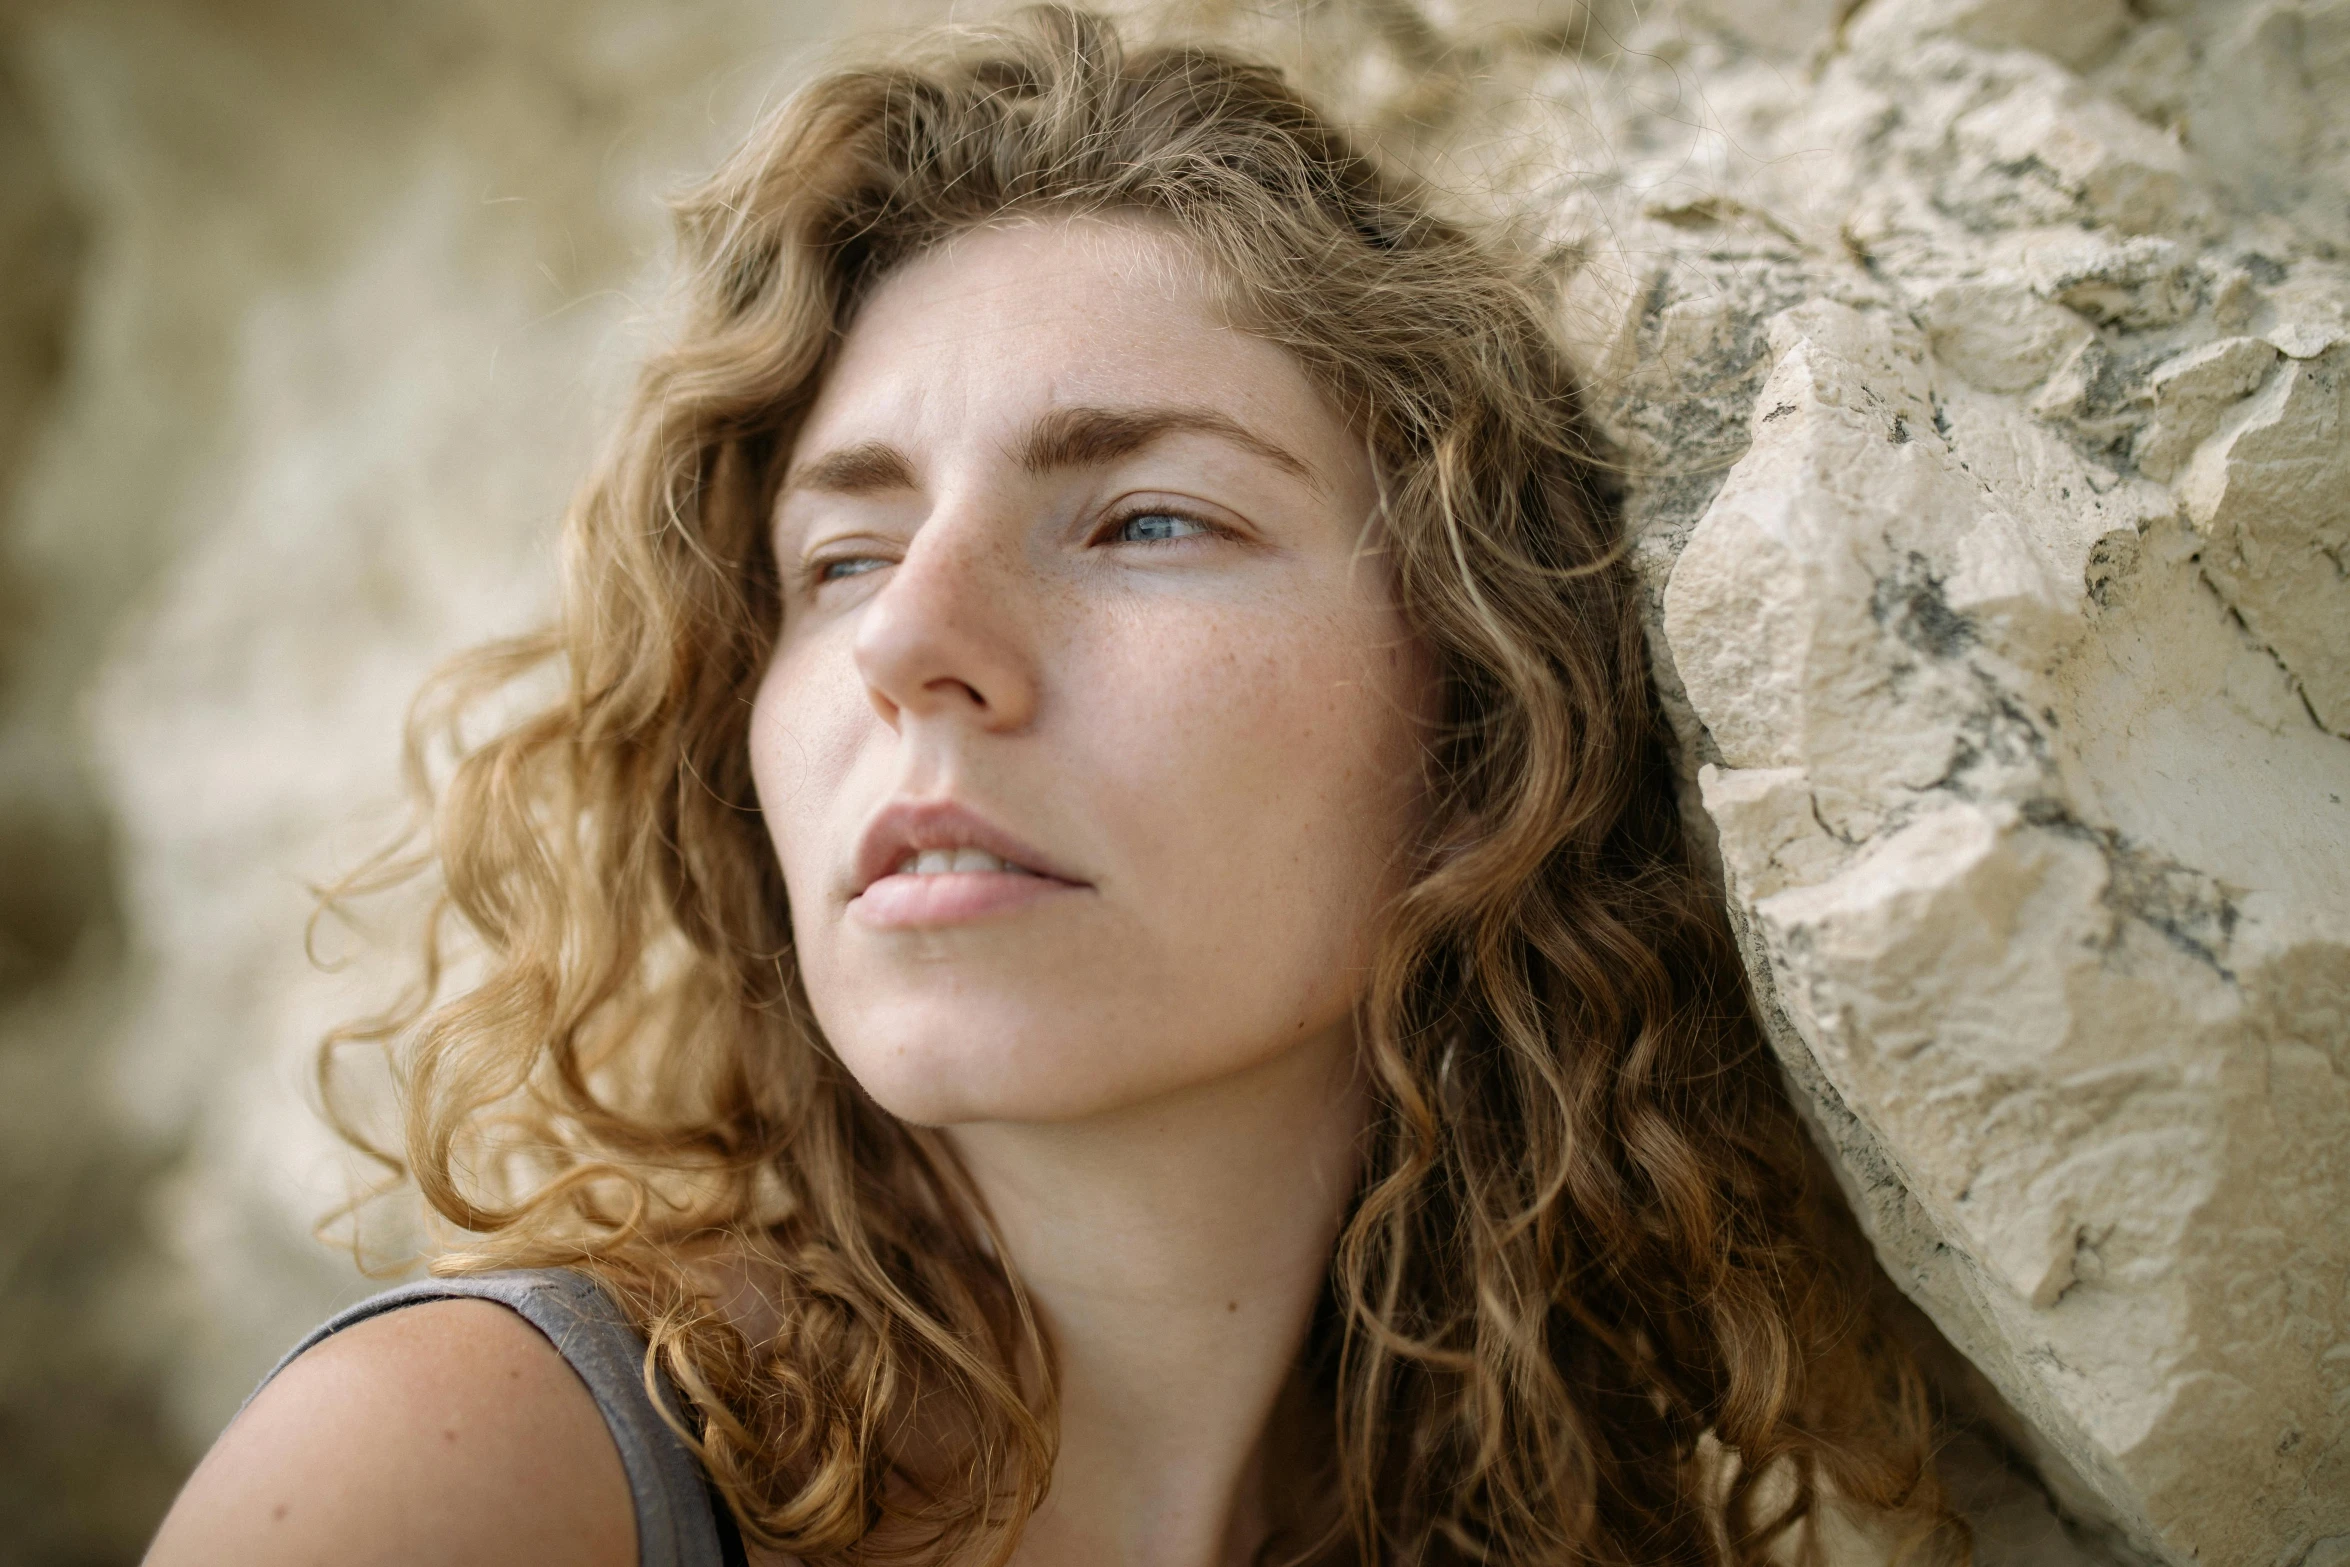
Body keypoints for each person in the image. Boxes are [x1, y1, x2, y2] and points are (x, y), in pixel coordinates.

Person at [144, 9, 1964, 1565]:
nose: (909, 642)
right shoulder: (465, 1478)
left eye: (1146, 519)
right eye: (840, 557)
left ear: (1486, 710)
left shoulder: (1581, 1526)